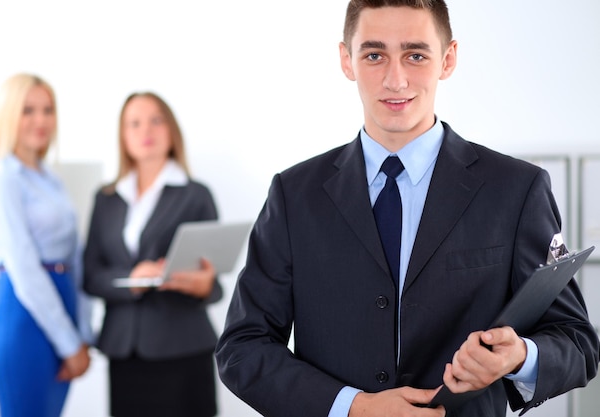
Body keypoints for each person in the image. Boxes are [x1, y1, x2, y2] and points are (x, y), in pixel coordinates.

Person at [214, 1, 600, 417]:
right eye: (374, 55)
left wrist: (520, 356)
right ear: (347, 60)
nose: (395, 80)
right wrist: (353, 407)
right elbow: (243, 347)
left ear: (447, 59)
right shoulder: (293, 195)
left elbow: (577, 343)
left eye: (415, 55)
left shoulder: (516, 189)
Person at [83, 92, 221, 417]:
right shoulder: (106, 199)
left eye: (156, 120)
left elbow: (212, 282)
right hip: (124, 351)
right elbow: (90, 275)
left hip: (182, 347)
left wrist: (199, 284)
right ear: (123, 136)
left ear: (171, 129)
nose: (146, 130)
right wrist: (131, 281)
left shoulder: (195, 195)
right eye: (134, 123)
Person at [0, 73, 92, 417]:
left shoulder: (49, 178)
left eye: (47, 110)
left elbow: (75, 256)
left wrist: (81, 332)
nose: (41, 120)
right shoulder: (1, 177)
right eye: (28, 110)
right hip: (23, 318)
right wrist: (69, 343)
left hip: (61, 310)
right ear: (8, 115)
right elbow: (23, 267)